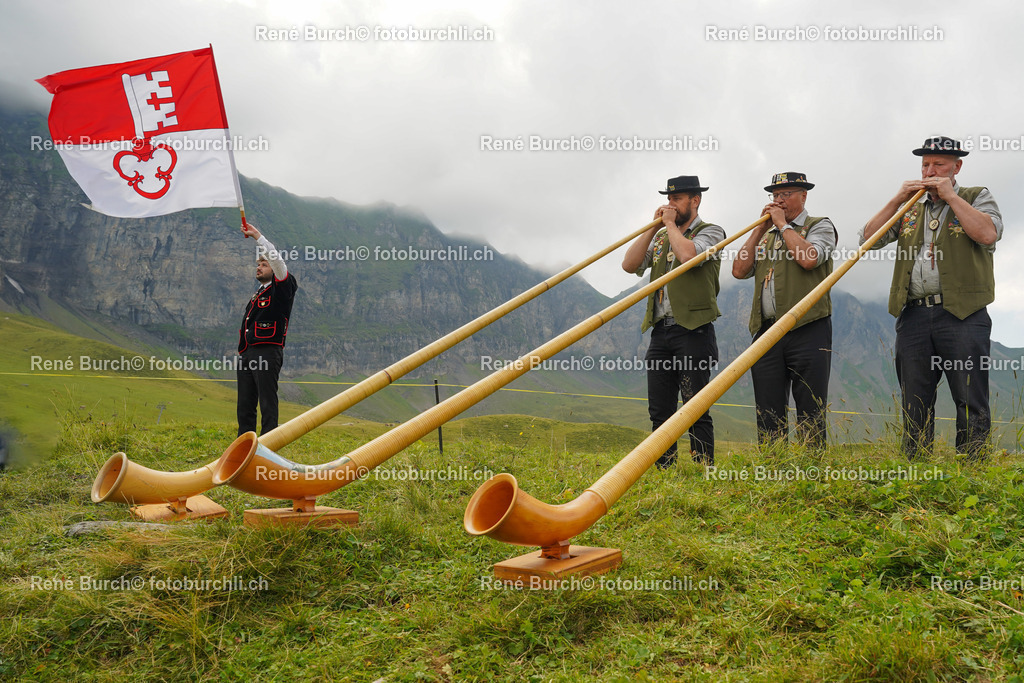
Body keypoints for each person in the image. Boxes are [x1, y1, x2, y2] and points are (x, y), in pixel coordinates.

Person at [862, 136, 1002, 461]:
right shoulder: (910, 207)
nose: (930, 170)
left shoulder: (976, 196)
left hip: (963, 314)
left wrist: (951, 197)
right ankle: (916, 471)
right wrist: (898, 197)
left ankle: (973, 471)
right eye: (925, 164)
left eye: (938, 164)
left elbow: (987, 233)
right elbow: (868, 239)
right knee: (915, 398)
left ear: (957, 167)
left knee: (970, 395)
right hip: (913, 314)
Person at [621, 175, 724, 468]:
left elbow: (688, 255)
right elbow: (630, 265)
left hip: (694, 330)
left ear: (695, 201)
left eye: (677, 199)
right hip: (661, 331)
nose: (671, 205)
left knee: (695, 407)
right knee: (660, 409)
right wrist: (654, 227)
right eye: (669, 199)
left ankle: (704, 470)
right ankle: (664, 470)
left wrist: (668, 226)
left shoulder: (712, 231)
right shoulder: (662, 234)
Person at [732, 172, 837, 450]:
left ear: (804, 195)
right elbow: (739, 270)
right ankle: (772, 468)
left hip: (808, 328)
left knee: (810, 406)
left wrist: (781, 225)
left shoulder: (820, 225)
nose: (779, 201)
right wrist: (759, 229)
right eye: (775, 196)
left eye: (786, 194)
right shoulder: (767, 234)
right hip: (767, 330)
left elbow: (809, 259)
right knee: (767, 406)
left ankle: (811, 470)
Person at [236, 221, 298, 436]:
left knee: (267, 402)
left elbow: (277, 260)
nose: (259, 267)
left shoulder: (282, 289)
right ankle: (243, 444)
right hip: (248, 352)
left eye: (264, 264)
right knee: (245, 403)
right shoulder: (259, 293)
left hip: (267, 352)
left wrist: (257, 237)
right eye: (258, 264)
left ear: (274, 269)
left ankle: (269, 443)